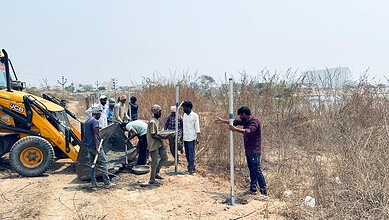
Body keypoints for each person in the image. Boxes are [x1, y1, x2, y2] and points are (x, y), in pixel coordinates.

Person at [215, 106, 267, 196]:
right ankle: (253, 189)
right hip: (248, 150)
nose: (240, 117)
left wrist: (235, 130)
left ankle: (264, 192)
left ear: (244, 114)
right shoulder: (245, 120)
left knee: (257, 170)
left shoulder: (255, 121)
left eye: (240, 115)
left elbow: (249, 131)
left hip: (254, 151)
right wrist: (224, 121)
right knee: (252, 170)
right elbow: (235, 122)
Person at [83, 107, 114, 189]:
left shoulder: (87, 121)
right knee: (104, 163)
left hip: (89, 146)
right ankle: (106, 183)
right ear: (97, 114)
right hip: (95, 146)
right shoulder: (95, 122)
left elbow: (85, 135)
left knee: (92, 165)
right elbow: (95, 136)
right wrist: (97, 148)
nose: (100, 116)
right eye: (100, 114)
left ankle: (93, 183)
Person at [146, 104, 170, 185]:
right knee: (154, 162)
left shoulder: (156, 120)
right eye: (160, 112)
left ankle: (156, 173)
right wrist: (166, 137)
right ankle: (152, 179)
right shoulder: (152, 122)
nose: (161, 113)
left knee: (164, 158)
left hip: (158, 143)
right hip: (153, 144)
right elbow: (154, 135)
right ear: (155, 112)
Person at [182, 101, 200, 175]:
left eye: (184, 107)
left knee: (191, 154)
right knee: (187, 154)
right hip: (185, 137)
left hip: (192, 138)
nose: (183, 109)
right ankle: (192, 167)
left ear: (189, 108)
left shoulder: (195, 116)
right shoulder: (184, 115)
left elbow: (197, 127)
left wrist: (197, 137)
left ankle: (190, 170)